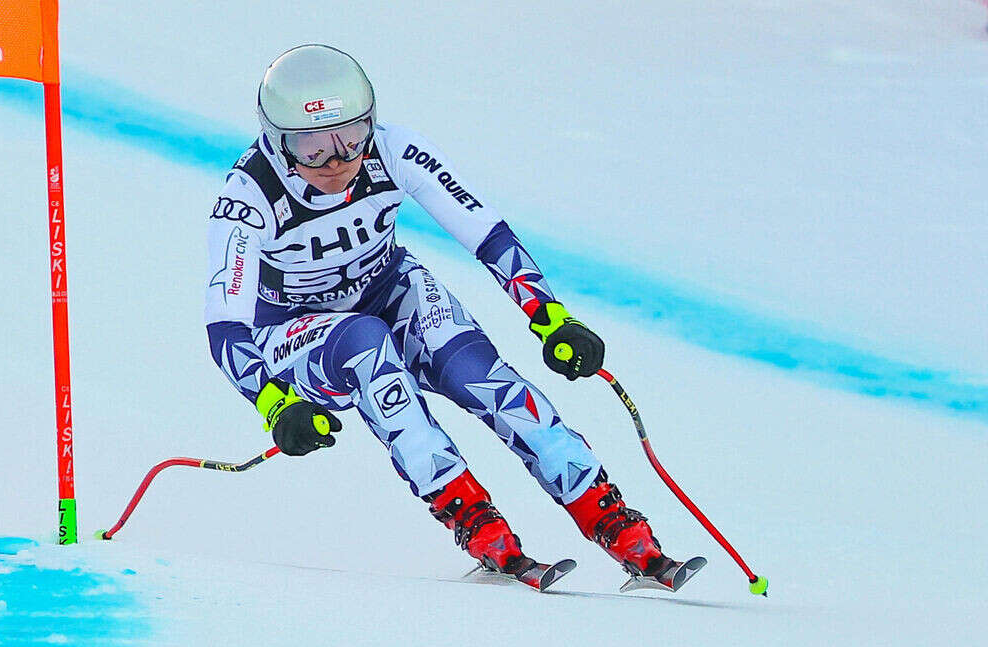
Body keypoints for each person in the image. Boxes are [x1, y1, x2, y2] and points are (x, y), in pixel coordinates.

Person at [204, 44, 702, 592]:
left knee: (484, 378)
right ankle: (476, 523)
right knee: (367, 347)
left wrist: (550, 317)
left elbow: (484, 232)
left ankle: (616, 525)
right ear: (277, 142)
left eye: (351, 135)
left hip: (392, 288)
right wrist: (275, 403)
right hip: (294, 332)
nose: (339, 160)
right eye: (313, 147)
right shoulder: (247, 198)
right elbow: (225, 326)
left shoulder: (393, 149)